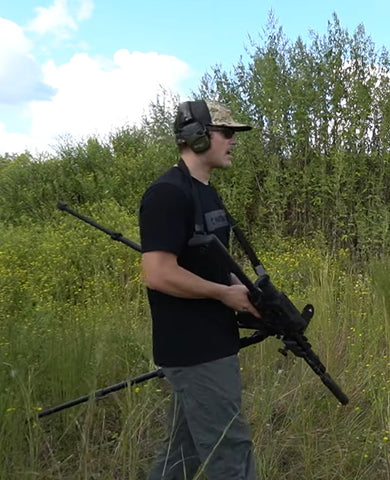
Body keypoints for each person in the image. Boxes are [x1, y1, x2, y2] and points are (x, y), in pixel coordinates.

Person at [139, 99, 260, 480]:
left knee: (183, 453)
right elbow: (158, 273)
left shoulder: (207, 193)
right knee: (231, 451)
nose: (232, 141)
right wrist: (223, 295)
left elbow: (209, 262)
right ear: (197, 137)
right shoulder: (167, 194)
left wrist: (239, 287)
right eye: (226, 133)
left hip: (213, 342)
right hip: (195, 351)